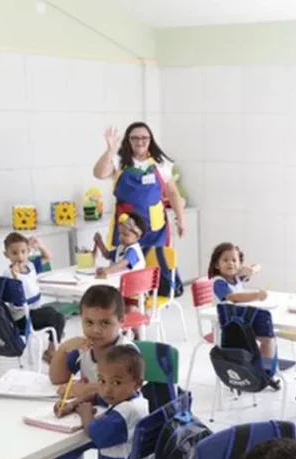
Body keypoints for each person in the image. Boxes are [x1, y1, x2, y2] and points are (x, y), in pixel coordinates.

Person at [17, 285, 137, 459]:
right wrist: (63, 350)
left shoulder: (126, 353)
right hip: (86, 419)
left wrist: (84, 389)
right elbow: (57, 378)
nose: (95, 330)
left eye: (105, 323)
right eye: (88, 322)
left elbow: (121, 389)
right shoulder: (85, 350)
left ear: (121, 322)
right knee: (50, 450)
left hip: (118, 427)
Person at [92, 122, 186, 253]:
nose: (139, 141)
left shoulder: (160, 162)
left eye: (144, 138)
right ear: (128, 140)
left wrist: (181, 220)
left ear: (150, 140)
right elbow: (99, 173)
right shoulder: (119, 161)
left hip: (155, 230)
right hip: (126, 228)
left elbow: (173, 193)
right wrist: (109, 152)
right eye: (134, 138)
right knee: (125, 266)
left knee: (155, 268)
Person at [2, 232, 65, 360]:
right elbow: (15, 296)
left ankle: (53, 347)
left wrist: (39, 245)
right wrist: (15, 276)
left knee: (57, 318)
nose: (20, 256)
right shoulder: (8, 274)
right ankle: (51, 352)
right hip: (22, 318)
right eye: (14, 253)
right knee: (55, 317)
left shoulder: (31, 265)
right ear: (7, 255)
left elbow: (48, 256)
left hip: (34, 312)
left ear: (28, 252)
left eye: (23, 251)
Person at [208, 242, 275, 360]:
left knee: (268, 337)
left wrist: (250, 269)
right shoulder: (219, 282)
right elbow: (233, 297)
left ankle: (264, 369)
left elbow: (258, 267)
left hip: (240, 320)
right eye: (225, 260)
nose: (230, 263)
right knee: (266, 337)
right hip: (225, 325)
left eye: (234, 260)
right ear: (217, 265)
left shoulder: (237, 277)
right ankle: (263, 370)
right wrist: (256, 295)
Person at [93, 212, 147, 279]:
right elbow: (107, 255)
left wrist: (107, 270)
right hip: (121, 282)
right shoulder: (121, 248)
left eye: (126, 235)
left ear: (137, 237)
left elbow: (122, 264)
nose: (121, 237)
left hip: (134, 285)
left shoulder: (133, 250)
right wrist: (100, 242)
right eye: (120, 233)